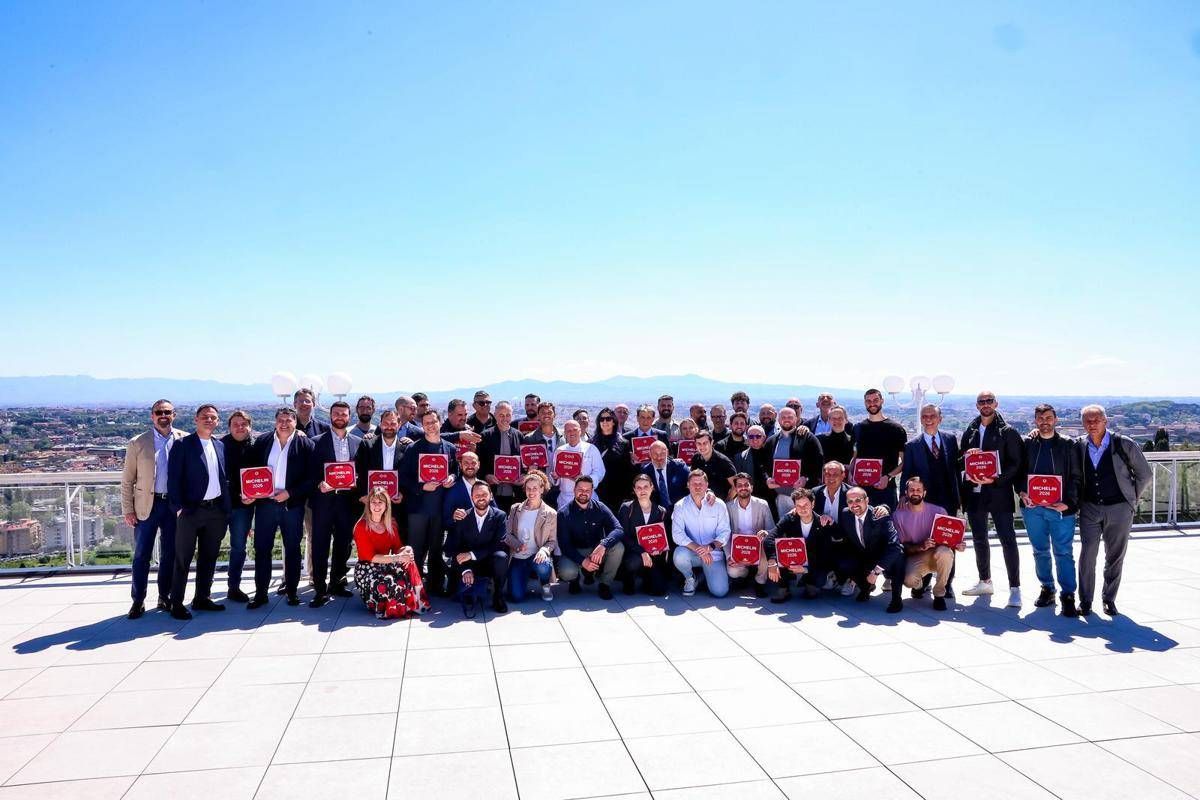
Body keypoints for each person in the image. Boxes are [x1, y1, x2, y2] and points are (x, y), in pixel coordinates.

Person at [1075, 404, 1152, 617]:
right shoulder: (1079, 445)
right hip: (1089, 507)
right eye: (1087, 421)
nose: (1092, 424)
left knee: (1115, 555)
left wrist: (1130, 498)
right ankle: (1086, 601)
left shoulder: (1124, 444)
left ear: (1105, 421)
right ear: (1082, 423)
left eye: (1096, 420)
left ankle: (1108, 599)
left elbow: (1145, 474)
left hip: (1119, 509)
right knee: (1087, 555)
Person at [958, 391, 1025, 607]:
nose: (985, 404)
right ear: (977, 405)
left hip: (999, 493)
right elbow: (959, 461)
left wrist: (996, 479)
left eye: (989, 401)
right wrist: (967, 456)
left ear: (996, 404)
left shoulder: (1008, 432)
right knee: (979, 539)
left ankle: (1015, 588)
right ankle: (985, 581)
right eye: (981, 401)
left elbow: (1016, 464)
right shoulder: (970, 431)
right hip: (974, 493)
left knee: (1007, 540)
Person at [122, 399, 187, 619]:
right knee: (141, 555)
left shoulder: (184, 439)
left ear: (174, 415)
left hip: (174, 506)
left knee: (170, 554)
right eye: (159, 412)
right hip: (146, 506)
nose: (163, 416)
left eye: (167, 412)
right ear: (152, 416)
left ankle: (164, 596)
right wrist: (128, 510)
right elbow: (127, 480)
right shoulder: (138, 443)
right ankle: (138, 600)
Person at [166, 404, 231, 620]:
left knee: (209, 558)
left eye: (213, 417)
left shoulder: (219, 445)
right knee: (182, 559)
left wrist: (225, 509)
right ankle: (176, 603)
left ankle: (202, 598)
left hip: (215, 511)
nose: (209, 420)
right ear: (196, 419)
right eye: (205, 417)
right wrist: (178, 508)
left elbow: (223, 477)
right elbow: (173, 479)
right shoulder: (183, 444)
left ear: (218, 421)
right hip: (190, 512)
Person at [247, 408, 315, 608]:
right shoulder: (263, 441)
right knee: (262, 549)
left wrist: (290, 493)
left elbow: (311, 479)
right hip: (265, 506)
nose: (284, 424)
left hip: (291, 506)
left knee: (292, 549)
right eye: (280, 420)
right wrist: (252, 491)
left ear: (295, 422)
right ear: (275, 422)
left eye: (288, 420)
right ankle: (261, 594)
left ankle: (292, 592)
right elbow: (252, 470)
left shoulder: (305, 444)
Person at [1019, 404, 1082, 617]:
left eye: (1048, 418)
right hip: (1033, 508)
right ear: (1035, 420)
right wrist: (1022, 492)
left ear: (1055, 420)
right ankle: (1047, 588)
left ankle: (1068, 595)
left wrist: (1069, 503)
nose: (1044, 422)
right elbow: (1019, 472)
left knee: (1063, 552)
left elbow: (1076, 476)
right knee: (1040, 550)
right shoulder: (1028, 443)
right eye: (1040, 418)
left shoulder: (1068, 444)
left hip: (1060, 508)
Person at [397, 409, 460, 596]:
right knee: (416, 549)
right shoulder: (413, 448)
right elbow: (403, 477)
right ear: (422, 426)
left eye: (433, 422)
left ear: (440, 422)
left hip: (440, 507)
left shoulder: (450, 448)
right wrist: (422, 486)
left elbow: (455, 470)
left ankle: (435, 586)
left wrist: (452, 477)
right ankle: (414, 587)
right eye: (427, 423)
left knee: (436, 548)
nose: (431, 426)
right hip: (418, 508)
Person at [308, 401, 362, 607]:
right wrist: (318, 483)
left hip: (347, 502)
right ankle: (320, 590)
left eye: (344, 414)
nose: (340, 417)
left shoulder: (357, 442)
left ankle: (337, 583)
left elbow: (362, 470)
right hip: (323, 501)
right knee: (320, 545)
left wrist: (356, 479)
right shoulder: (316, 442)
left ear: (349, 417)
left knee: (343, 544)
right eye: (336, 413)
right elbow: (308, 472)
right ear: (330, 416)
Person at [353, 489, 426, 619]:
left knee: (408, 561)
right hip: (367, 568)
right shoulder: (361, 526)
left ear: (386, 505)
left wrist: (407, 550)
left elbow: (397, 547)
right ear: (368, 504)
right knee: (389, 583)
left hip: (386, 564)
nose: (376, 505)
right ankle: (390, 607)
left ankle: (417, 602)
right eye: (373, 502)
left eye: (380, 502)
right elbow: (371, 557)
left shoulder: (391, 523)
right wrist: (397, 557)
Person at [892, 477, 963, 611]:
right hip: (916, 555)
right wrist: (921, 546)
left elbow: (949, 538)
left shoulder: (939, 511)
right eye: (912, 490)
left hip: (937, 554)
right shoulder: (898, 515)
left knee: (946, 553)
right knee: (908, 580)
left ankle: (939, 594)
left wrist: (957, 545)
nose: (915, 492)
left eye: (919, 490)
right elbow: (901, 546)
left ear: (924, 493)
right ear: (906, 493)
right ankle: (919, 586)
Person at [835, 487, 905, 613]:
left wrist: (876, 572)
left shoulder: (879, 515)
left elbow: (895, 545)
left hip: (883, 555)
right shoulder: (846, 514)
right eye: (850, 501)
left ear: (867, 500)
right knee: (844, 561)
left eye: (858, 500)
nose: (854, 504)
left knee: (899, 556)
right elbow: (839, 534)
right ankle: (865, 588)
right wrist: (826, 521)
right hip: (864, 554)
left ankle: (896, 599)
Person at [444, 481, 510, 613]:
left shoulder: (500, 516)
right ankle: (469, 582)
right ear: (472, 497)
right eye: (477, 495)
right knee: (465, 599)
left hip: (489, 562)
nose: (481, 498)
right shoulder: (463, 517)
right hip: (469, 564)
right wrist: (465, 569)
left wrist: (472, 554)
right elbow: (454, 547)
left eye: (484, 494)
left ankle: (498, 595)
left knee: (501, 557)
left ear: (491, 496)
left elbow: (499, 544)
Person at [556, 476, 624, 598]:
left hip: (596, 549)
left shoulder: (600, 507)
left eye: (587, 490)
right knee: (566, 571)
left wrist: (603, 545)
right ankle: (574, 580)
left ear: (592, 492)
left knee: (618, 547)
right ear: (574, 490)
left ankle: (605, 584)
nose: (583, 493)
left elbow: (618, 529)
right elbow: (564, 545)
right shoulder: (563, 513)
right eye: (580, 489)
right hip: (575, 551)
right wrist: (583, 561)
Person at [763, 488, 835, 602]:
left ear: (813, 504)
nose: (802, 509)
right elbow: (769, 538)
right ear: (795, 506)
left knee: (818, 581)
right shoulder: (789, 519)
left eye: (806, 505)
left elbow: (825, 554)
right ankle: (783, 587)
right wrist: (772, 562)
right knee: (781, 549)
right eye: (799, 506)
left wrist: (806, 569)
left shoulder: (822, 522)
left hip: (813, 560)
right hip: (792, 557)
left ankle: (809, 582)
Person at [672, 470, 731, 597]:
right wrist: (699, 549)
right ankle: (690, 578)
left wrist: (709, 547)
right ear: (688, 485)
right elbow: (677, 534)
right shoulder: (680, 506)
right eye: (694, 483)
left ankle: (704, 577)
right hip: (692, 552)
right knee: (679, 556)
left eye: (701, 483)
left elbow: (725, 532)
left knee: (720, 592)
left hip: (712, 554)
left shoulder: (719, 505)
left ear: (707, 485)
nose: (697, 487)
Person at [502, 471, 558, 602]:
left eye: (535, 488)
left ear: (542, 489)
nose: (531, 492)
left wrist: (544, 551)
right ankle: (523, 577)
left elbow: (552, 541)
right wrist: (517, 545)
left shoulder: (550, 513)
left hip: (537, 556)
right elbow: (507, 534)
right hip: (519, 556)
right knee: (516, 597)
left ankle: (545, 584)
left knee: (543, 566)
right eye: (528, 488)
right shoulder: (515, 509)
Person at [220, 409, 256, 603]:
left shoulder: (256, 447)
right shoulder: (219, 446)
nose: (240, 427)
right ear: (229, 427)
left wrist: (254, 497)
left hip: (244, 507)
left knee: (238, 548)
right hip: (219, 506)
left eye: (244, 424)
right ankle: (203, 591)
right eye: (236, 424)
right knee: (209, 548)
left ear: (250, 426)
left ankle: (233, 587)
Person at [763, 407, 825, 518]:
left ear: (796, 419)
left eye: (790, 417)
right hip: (780, 496)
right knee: (784, 526)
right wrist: (767, 479)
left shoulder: (808, 438)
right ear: (778, 420)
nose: (786, 419)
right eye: (783, 417)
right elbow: (764, 466)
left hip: (803, 497)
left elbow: (819, 462)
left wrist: (806, 478)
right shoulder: (771, 441)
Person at [901, 404, 961, 516]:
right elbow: (906, 473)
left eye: (932, 416)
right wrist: (903, 496)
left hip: (949, 501)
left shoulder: (951, 440)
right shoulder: (911, 446)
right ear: (921, 420)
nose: (928, 419)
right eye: (924, 416)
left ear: (940, 419)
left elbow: (956, 469)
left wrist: (960, 497)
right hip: (924, 502)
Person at [852, 389, 907, 509]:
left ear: (882, 401)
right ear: (865, 403)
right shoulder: (858, 428)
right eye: (868, 401)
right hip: (862, 491)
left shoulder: (896, 429)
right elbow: (855, 457)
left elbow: (905, 462)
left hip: (886, 490)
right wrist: (851, 474)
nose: (872, 403)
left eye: (876, 400)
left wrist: (888, 476)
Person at [617, 474, 671, 596]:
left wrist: (660, 548)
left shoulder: (661, 511)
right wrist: (642, 551)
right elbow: (624, 536)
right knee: (633, 562)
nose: (642, 490)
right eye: (639, 488)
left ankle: (647, 579)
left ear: (652, 488)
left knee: (659, 590)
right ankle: (628, 579)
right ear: (634, 490)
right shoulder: (627, 508)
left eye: (646, 487)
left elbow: (664, 537)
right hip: (633, 553)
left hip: (654, 555)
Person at [725, 473, 774, 597]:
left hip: (758, 548)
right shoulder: (728, 507)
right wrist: (729, 556)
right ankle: (745, 575)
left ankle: (760, 581)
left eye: (746, 485)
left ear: (751, 487)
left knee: (767, 547)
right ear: (735, 488)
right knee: (733, 571)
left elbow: (772, 529)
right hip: (739, 550)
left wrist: (766, 532)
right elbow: (724, 534)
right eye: (739, 485)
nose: (743, 488)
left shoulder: (762, 504)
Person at [479, 400, 525, 511]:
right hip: (492, 493)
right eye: (501, 415)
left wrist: (524, 476)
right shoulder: (485, 436)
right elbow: (480, 462)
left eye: (508, 415)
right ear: (495, 415)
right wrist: (486, 476)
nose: (505, 418)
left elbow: (524, 463)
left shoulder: (519, 436)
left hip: (515, 493)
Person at [354, 409, 407, 506]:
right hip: (371, 503)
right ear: (380, 424)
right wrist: (363, 496)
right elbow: (358, 472)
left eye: (393, 424)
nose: (389, 427)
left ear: (399, 425)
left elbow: (409, 475)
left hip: (396, 504)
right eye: (386, 423)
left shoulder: (407, 448)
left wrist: (403, 494)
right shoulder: (367, 445)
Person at [551, 420, 606, 509]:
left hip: (587, 498)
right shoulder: (559, 451)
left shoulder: (591, 449)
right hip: (565, 499)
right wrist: (555, 477)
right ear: (565, 434)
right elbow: (556, 475)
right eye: (568, 431)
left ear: (580, 431)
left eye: (575, 430)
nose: (572, 432)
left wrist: (584, 480)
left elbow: (600, 472)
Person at [591, 407, 632, 511]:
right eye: (602, 419)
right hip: (596, 492)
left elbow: (627, 471)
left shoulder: (623, 443)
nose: (605, 422)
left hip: (617, 493)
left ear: (614, 421)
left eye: (608, 419)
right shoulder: (591, 443)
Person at [640, 440, 691, 511]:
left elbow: (692, 485)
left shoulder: (679, 467)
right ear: (650, 454)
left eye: (662, 453)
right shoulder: (645, 471)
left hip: (680, 509)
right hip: (658, 511)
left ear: (667, 452)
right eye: (655, 454)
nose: (659, 457)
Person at [732, 425, 773, 512]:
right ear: (747, 438)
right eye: (751, 437)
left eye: (758, 436)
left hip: (771, 498)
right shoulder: (740, 457)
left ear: (764, 437)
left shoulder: (772, 454)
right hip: (750, 500)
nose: (755, 439)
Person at [690, 430, 737, 500]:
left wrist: (726, 503)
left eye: (705, 443)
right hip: (701, 501)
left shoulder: (724, 461)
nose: (702, 446)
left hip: (719, 502)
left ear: (711, 442)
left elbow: (736, 485)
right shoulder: (695, 458)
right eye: (699, 443)